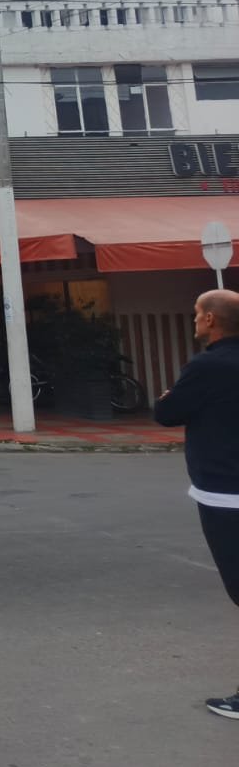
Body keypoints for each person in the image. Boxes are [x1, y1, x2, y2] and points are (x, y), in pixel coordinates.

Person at [153, 289, 239, 720]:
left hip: (225, 493)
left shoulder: (207, 366)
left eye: (195, 315)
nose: (193, 321)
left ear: (210, 320)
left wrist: (169, 396)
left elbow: (167, 414)